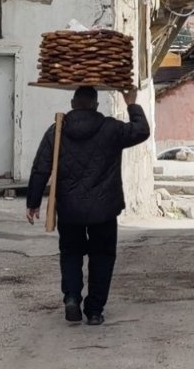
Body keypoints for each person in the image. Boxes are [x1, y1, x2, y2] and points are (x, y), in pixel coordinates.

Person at [25, 86, 149, 326]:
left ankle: (72, 297)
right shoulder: (112, 129)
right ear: (96, 105)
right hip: (104, 210)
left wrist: (33, 202)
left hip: (70, 210)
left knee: (70, 254)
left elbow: (41, 167)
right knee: (102, 257)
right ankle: (94, 311)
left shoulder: (57, 130)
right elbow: (141, 131)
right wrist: (131, 103)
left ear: (72, 103)